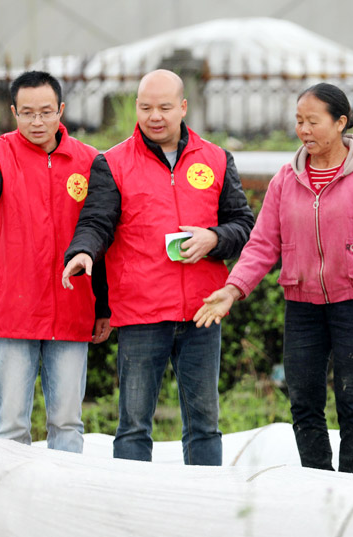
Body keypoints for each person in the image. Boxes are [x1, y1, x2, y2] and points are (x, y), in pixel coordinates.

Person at [194, 83, 353, 474]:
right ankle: (316, 483)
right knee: (303, 403)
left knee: (352, 401)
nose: (304, 130)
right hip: (302, 307)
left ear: (340, 122)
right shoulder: (285, 180)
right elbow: (261, 245)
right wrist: (232, 289)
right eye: (299, 121)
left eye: (313, 121)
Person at [62, 69, 254, 465]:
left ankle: (205, 505)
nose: (155, 116)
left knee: (204, 423)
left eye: (165, 107)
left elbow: (244, 225)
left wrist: (214, 239)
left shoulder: (216, 159)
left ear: (183, 108)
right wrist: (82, 252)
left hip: (203, 311)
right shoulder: (112, 162)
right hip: (140, 312)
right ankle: (130, 512)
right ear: (136, 107)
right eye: (146, 107)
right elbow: (96, 222)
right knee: (133, 425)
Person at [0, 70, 110, 453]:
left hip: (71, 306)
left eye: (45, 112)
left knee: (68, 423)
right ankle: (10, 509)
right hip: (13, 308)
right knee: (10, 426)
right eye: (27, 113)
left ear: (61, 110)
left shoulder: (91, 162)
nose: (36, 122)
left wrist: (102, 306)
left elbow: (100, 233)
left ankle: (64, 504)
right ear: (14, 113)